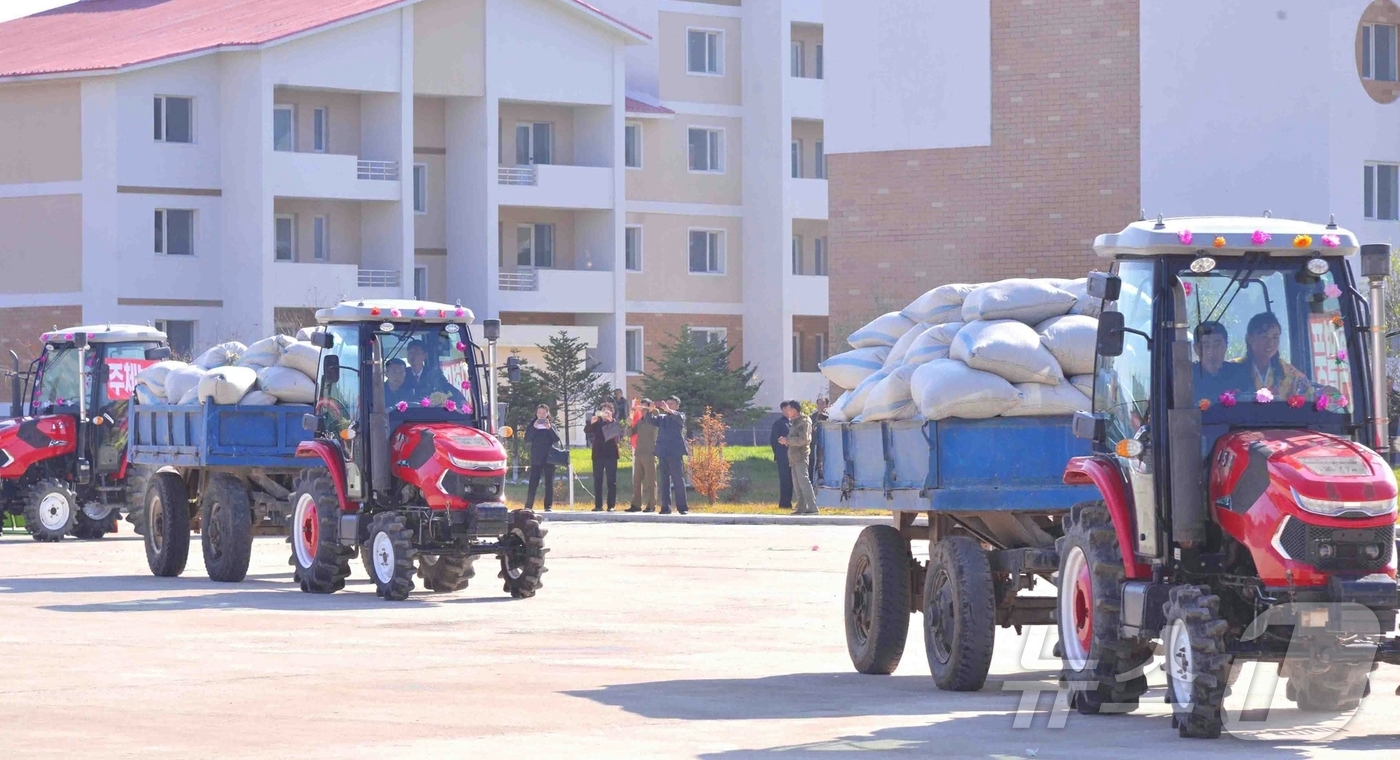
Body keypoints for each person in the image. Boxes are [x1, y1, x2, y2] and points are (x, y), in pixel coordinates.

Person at [1240, 312, 1311, 399]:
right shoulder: (1233, 369)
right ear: (1249, 339)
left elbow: (1309, 396)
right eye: (1264, 337)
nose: (1270, 343)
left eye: (1275, 337)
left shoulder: (1289, 373)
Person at [1192, 321, 1249, 403]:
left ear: (1226, 346)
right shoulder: (1188, 376)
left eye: (1217, 345)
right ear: (1196, 349)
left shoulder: (1239, 373)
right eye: (1206, 346)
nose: (1212, 351)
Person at [779, 400, 818, 515]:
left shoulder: (804, 422)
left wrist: (788, 440)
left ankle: (812, 507)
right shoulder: (794, 422)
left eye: (788, 409)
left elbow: (804, 439)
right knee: (797, 484)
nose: (787, 411)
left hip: (801, 456)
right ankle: (801, 507)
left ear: (794, 410)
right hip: (793, 457)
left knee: (804, 481)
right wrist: (786, 442)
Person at [651, 396, 689, 515]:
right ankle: (665, 507)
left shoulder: (679, 415)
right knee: (664, 481)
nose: (667, 406)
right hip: (663, 452)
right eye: (666, 404)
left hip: (675, 452)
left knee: (678, 480)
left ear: (677, 406)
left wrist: (669, 410)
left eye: (671, 404)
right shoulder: (662, 418)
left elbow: (680, 419)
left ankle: (682, 507)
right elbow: (651, 420)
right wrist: (650, 411)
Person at [523, 404, 560, 512]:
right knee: (533, 482)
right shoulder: (532, 424)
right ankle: (528, 506)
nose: (541, 415)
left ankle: (548, 506)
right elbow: (527, 439)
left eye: (544, 413)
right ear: (536, 413)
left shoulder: (551, 425)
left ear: (547, 414)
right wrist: (534, 427)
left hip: (549, 457)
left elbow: (556, 439)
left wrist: (549, 429)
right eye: (539, 413)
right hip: (536, 457)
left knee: (549, 482)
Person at [584, 407, 621, 512]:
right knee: (597, 480)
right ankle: (598, 505)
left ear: (612, 412)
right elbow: (587, 431)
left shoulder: (613, 422)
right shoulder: (597, 422)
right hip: (598, 454)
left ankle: (611, 505)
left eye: (607, 411)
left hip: (611, 454)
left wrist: (610, 421)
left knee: (611, 481)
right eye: (603, 411)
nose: (605, 413)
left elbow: (616, 433)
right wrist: (591, 422)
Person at [628, 399, 659, 513]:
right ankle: (636, 504)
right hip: (639, 452)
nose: (641, 408)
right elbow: (630, 434)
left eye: (643, 406)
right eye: (641, 406)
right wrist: (630, 423)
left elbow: (655, 412)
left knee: (651, 480)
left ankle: (651, 505)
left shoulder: (654, 416)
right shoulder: (640, 420)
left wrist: (650, 408)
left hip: (650, 453)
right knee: (637, 480)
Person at [770, 412, 793, 510]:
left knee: (793, 480)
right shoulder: (779, 423)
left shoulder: (795, 422)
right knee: (785, 480)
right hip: (783, 456)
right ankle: (784, 503)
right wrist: (778, 453)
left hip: (794, 456)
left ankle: (790, 502)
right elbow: (774, 440)